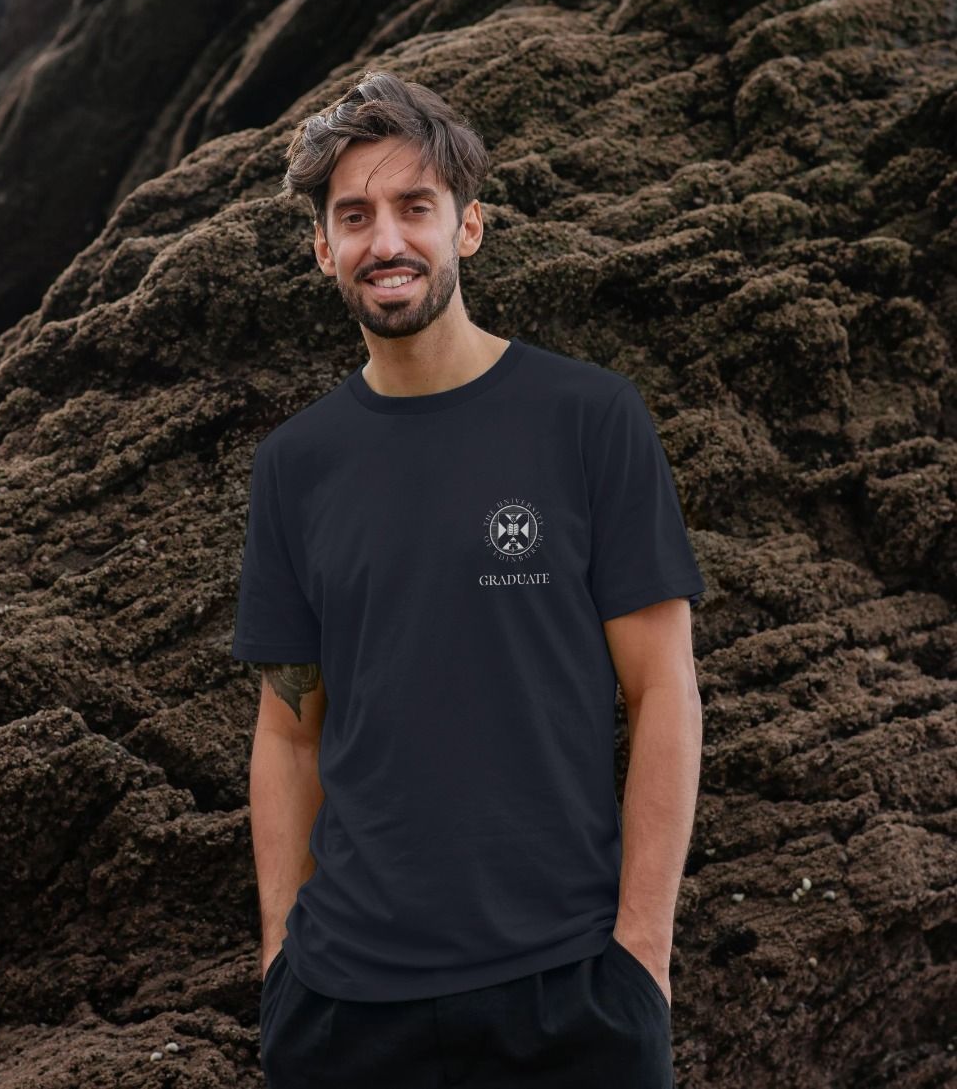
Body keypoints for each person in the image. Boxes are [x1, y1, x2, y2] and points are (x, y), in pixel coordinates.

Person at [231, 69, 705, 1088]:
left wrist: (643, 954)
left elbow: (662, 689)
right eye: (354, 216)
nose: (386, 241)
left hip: (570, 996)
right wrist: (281, 963)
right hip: (344, 1013)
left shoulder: (589, 420)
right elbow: (287, 729)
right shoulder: (296, 467)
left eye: (416, 207)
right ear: (323, 249)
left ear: (469, 226)